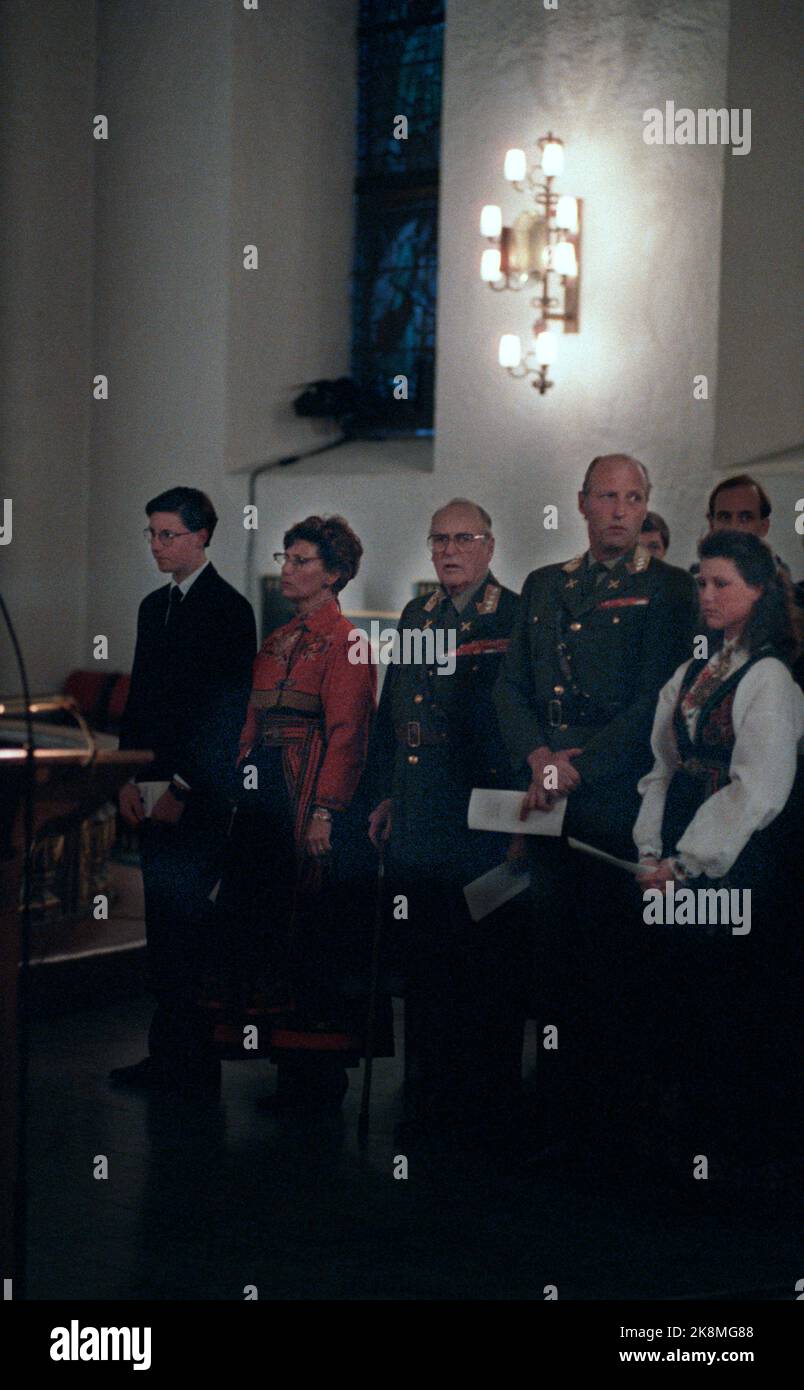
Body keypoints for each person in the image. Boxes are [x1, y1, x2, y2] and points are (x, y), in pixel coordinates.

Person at [493, 454, 699, 1162]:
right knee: (554, 963)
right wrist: (538, 758)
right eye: (607, 497)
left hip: (619, 795)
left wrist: (578, 767)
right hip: (547, 790)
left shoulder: (669, 591)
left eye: (633, 498)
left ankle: (618, 1131)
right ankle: (557, 1113)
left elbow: (656, 701)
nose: (619, 510)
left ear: (646, 508)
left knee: (618, 968)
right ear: (581, 503)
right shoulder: (547, 585)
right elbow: (510, 688)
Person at [634, 530, 803, 1184]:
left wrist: (685, 865)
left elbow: (758, 789)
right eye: (701, 582)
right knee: (676, 1001)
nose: (705, 594)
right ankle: (679, 1153)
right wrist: (651, 852)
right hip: (677, 856)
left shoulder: (770, 679)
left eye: (721, 583)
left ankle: (727, 1164)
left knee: (725, 1008)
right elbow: (660, 769)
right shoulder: (694, 671)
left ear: (757, 591)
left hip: (735, 867)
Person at [208, 514, 382, 1112]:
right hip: (264, 799)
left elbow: (348, 734)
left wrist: (326, 812)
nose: (287, 568)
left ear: (334, 574)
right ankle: (285, 1065)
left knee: (311, 928)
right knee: (264, 927)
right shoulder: (277, 641)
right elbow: (250, 725)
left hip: (308, 793)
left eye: (302, 560)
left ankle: (317, 1077)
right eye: (286, 557)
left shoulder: (348, 643)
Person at [368, 499, 525, 1150]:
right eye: (440, 540)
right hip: (420, 812)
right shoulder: (417, 613)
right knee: (426, 969)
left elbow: (522, 721)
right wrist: (383, 793)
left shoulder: (514, 615)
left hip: (482, 816)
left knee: (485, 969)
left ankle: (486, 1109)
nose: (451, 550)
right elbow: (392, 710)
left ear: (489, 547)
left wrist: (523, 814)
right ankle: (426, 1096)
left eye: (465, 539)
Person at [111, 487, 257, 1096]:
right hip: (147, 784)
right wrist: (121, 773)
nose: (156, 544)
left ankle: (195, 1066)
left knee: (191, 929)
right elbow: (141, 696)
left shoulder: (228, 608)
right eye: (151, 533)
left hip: (195, 791)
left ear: (201, 537)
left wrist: (183, 786)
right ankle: (166, 1056)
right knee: (163, 929)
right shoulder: (153, 606)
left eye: (167, 534)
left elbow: (227, 713)